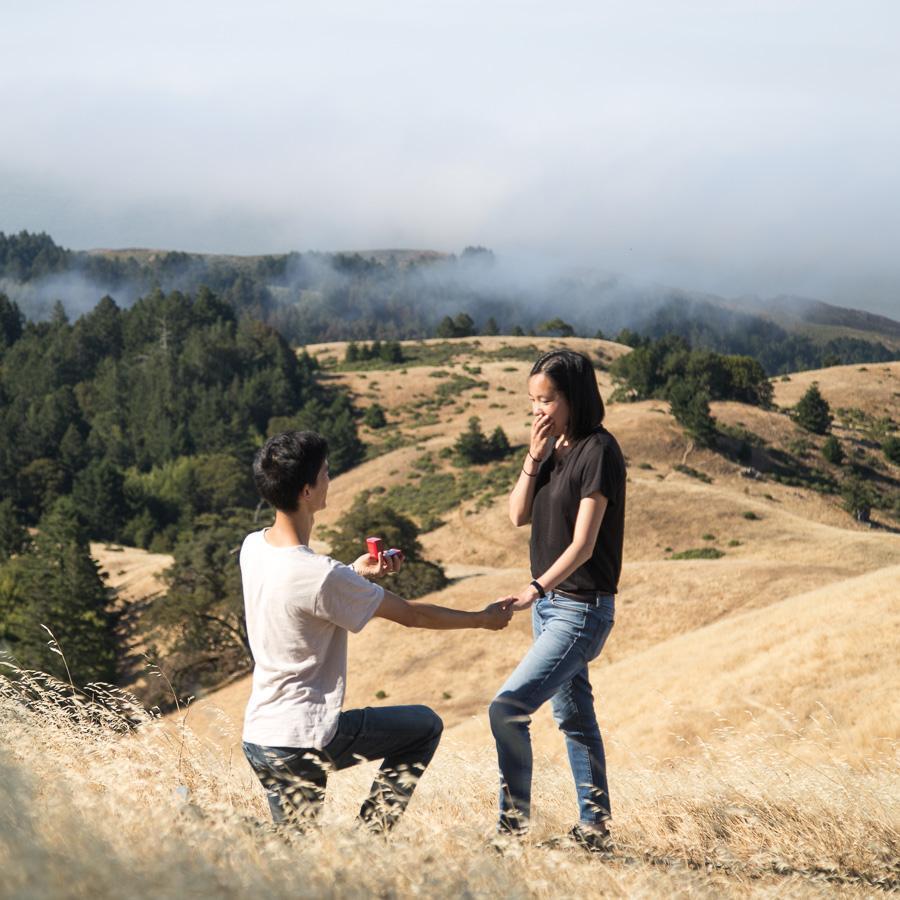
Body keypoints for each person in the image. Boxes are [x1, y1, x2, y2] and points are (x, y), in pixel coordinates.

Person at [241, 430, 512, 833]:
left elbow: (302, 598)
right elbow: (411, 615)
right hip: (302, 736)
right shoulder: (320, 576)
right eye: (326, 473)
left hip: (260, 736)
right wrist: (482, 618)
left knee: (292, 853)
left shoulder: (254, 547)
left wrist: (354, 575)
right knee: (424, 726)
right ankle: (370, 838)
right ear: (307, 492)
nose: (330, 479)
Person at [490, 349, 626, 852]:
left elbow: (584, 545)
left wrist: (535, 588)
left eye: (546, 400)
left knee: (506, 708)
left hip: (580, 608)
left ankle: (512, 829)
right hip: (552, 610)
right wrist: (533, 457)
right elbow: (517, 516)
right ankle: (595, 830)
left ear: (573, 397)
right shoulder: (552, 450)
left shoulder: (600, 452)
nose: (537, 410)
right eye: (532, 401)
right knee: (573, 718)